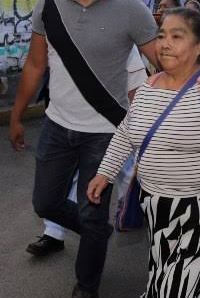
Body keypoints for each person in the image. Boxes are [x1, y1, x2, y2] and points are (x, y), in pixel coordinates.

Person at [8, 0, 159, 298]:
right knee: (46, 203)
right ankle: (96, 233)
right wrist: (17, 114)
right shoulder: (48, 3)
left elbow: (162, 62)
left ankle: (86, 287)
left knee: (92, 213)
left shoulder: (131, 9)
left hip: (106, 134)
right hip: (57, 126)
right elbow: (36, 64)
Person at [87, 8, 200, 298]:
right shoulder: (148, 87)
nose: (164, 43)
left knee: (181, 289)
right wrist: (104, 173)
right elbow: (126, 132)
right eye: (161, 35)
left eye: (177, 36)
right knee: (165, 270)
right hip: (155, 201)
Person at [28, 47, 148, 256]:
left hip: (109, 125)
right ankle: (54, 232)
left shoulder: (122, 30)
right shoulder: (63, 24)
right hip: (66, 123)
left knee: (125, 173)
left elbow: (136, 84)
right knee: (72, 181)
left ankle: (131, 212)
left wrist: (137, 126)